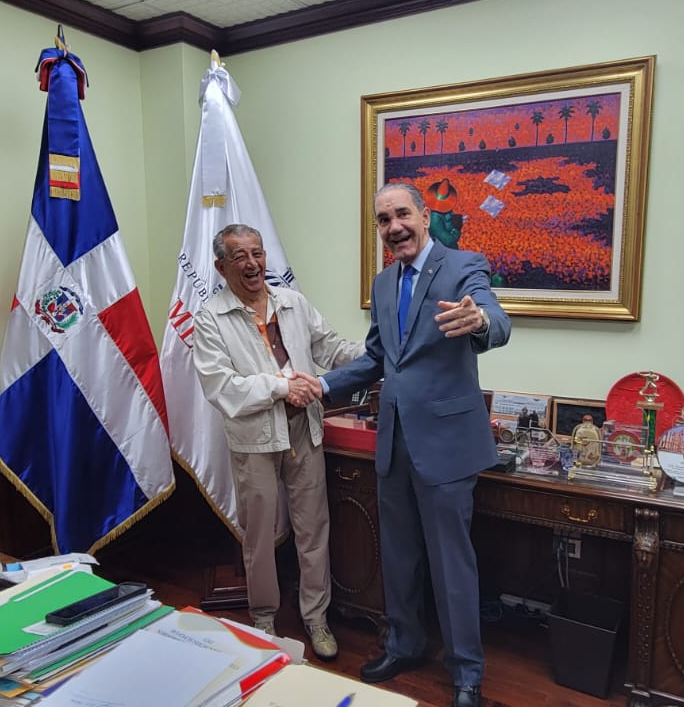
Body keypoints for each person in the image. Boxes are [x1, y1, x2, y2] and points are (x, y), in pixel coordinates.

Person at [321, 182, 512, 707]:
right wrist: (322, 384)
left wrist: (480, 321)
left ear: (425, 217)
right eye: (384, 220)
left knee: (452, 564)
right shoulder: (384, 283)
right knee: (399, 555)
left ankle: (466, 673)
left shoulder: (464, 265)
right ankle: (404, 644)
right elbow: (377, 358)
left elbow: (495, 318)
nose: (394, 227)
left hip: (447, 446)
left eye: (402, 214)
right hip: (393, 441)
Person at [190, 224, 364, 662]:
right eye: (240, 257)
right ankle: (264, 617)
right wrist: (282, 387)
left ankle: (316, 617)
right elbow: (221, 387)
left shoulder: (292, 302)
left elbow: (333, 349)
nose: (253, 264)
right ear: (221, 267)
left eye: (258, 253)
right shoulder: (210, 317)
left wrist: (378, 353)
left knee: (313, 527)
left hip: (304, 429)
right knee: (259, 535)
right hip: (255, 440)